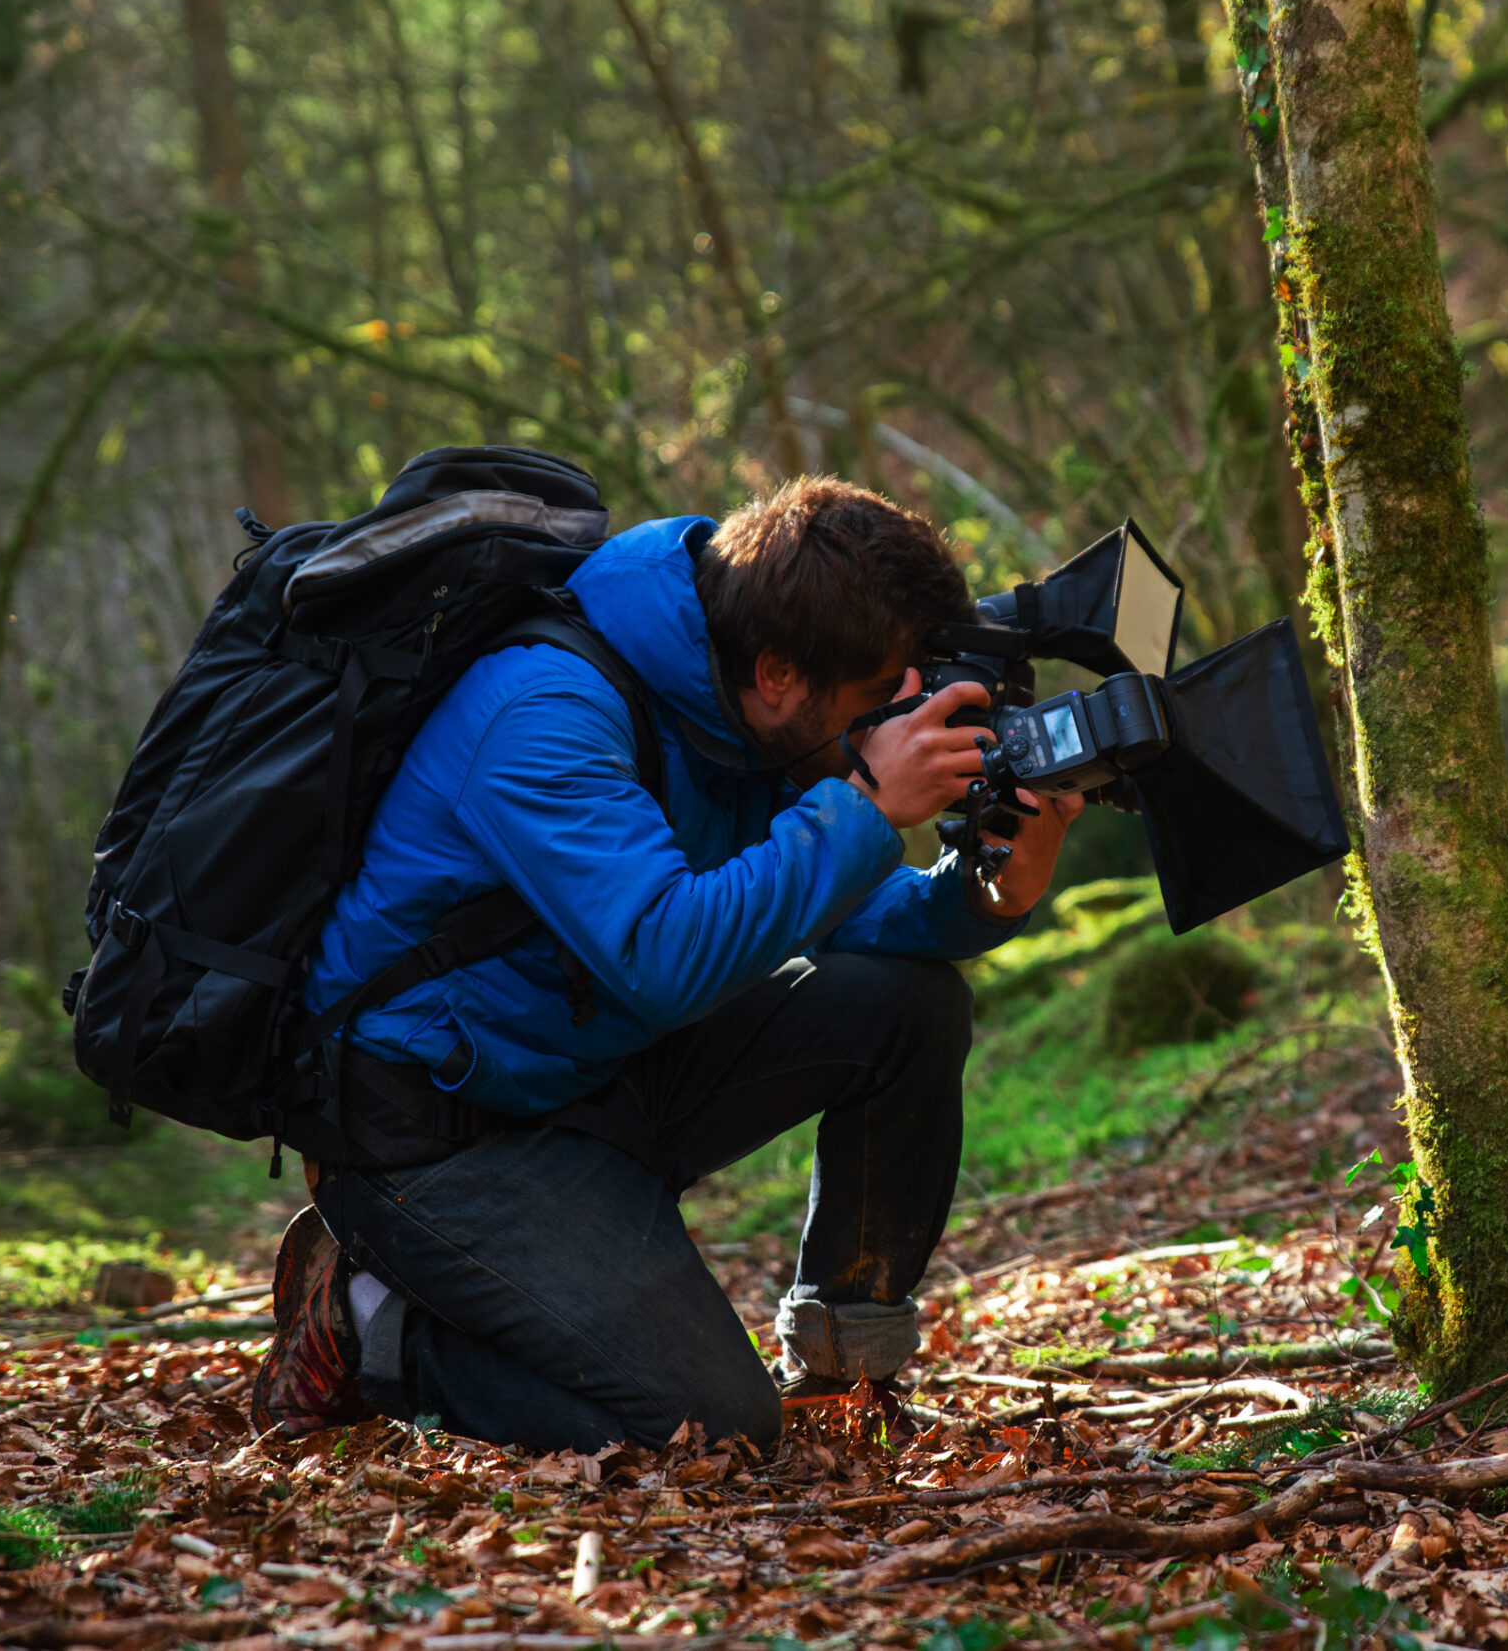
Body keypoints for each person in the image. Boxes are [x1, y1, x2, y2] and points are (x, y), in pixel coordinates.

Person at [248, 477, 1080, 1451]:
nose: (891, 723)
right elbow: (665, 954)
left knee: (906, 1006)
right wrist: (864, 804)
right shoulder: (545, 712)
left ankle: (841, 1370)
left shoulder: (737, 707)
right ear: (779, 673)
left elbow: (843, 911)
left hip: (588, 1066)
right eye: (873, 702)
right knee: (712, 1427)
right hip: (436, 1135)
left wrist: (995, 888)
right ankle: (369, 1322)